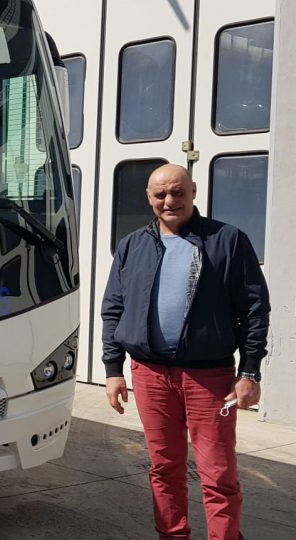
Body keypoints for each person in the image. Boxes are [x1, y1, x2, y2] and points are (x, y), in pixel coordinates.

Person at [101, 164, 270, 540]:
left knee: (218, 474)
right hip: (150, 376)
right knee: (164, 468)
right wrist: (113, 370)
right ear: (148, 197)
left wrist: (250, 371)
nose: (169, 201)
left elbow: (254, 309)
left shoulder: (227, 240)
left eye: (177, 192)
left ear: (193, 191)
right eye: (160, 194)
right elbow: (113, 309)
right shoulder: (132, 245)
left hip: (210, 379)